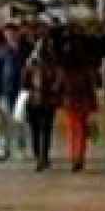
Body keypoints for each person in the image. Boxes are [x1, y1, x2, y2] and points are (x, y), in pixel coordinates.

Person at [58, 36, 100, 171]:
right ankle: (79, 156)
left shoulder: (64, 71)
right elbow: (90, 88)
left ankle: (73, 156)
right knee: (81, 131)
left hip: (69, 102)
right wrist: (94, 105)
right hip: (83, 102)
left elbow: (59, 87)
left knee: (72, 130)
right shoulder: (85, 71)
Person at [22, 38, 63, 170]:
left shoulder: (36, 64)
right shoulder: (37, 65)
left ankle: (41, 156)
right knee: (42, 129)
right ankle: (41, 155)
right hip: (40, 100)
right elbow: (25, 83)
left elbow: (24, 83)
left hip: (41, 100)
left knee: (41, 129)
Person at [0, 25, 25, 160]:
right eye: (7, 33)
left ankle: (20, 147)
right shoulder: (2, 51)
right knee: (4, 122)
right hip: (5, 90)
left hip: (21, 91)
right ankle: (3, 149)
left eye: (12, 33)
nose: (10, 35)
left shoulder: (24, 49)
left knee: (19, 120)